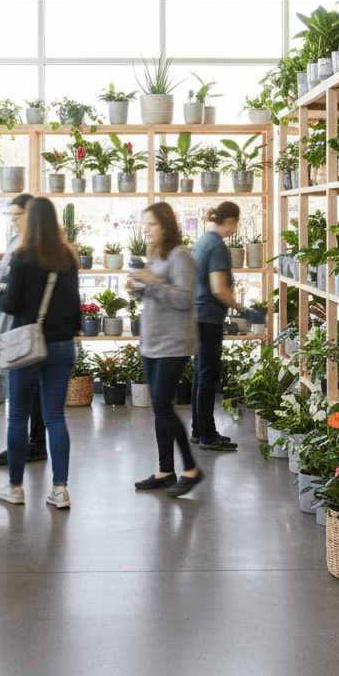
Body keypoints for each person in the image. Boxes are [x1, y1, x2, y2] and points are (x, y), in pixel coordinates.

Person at [0, 197, 81, 509]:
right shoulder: (68, 258)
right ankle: (60, 490)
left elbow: (13, 305)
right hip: (62, 346)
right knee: (56, 417)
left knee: (18, 416)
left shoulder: (22, 257)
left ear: (30, 222)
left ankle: (15, 487)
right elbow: (76, 308)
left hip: (27, 344)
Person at [127, 203, 203, 497]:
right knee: (160, 411)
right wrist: (138, 289)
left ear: (166, 226)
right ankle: (165, 471)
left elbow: (185, 299)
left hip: (174, 343)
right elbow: (155, 293)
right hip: (153, 343)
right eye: (144, 225)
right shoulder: (155, 256)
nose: (145, 230)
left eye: (151, 225)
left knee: (161, 406)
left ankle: (191, 469)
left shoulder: (181, 255)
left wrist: (152, 282)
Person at [0, 194, 48, 466]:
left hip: (22, 322)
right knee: (22, 386)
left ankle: (32, 445)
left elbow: (20, 291)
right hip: (10, 318)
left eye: (18, 215)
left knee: (26, 386)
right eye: (11, 215)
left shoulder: (36, 246)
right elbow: (9, 279)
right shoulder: (17, 241)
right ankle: (28, 444)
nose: (13, 220)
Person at [190, 202, 262, 450]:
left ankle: (198, 431)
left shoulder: (202, 241)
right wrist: (244, 310)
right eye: (236, 222)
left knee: (200, 375)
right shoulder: (217, 246)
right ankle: (208, 436)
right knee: (208, 376)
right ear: (231, 221)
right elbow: (219, 289)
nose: (236, 227)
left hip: (196, 316)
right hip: (208, 318)